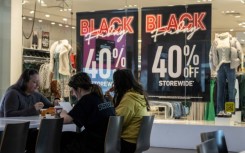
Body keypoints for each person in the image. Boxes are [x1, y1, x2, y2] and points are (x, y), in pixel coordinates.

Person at [60, 72, 115, 153]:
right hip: (107, 142)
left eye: (73, 91)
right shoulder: (102, 97)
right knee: (66, 136)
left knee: (61, 138)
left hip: (94, 144)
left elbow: (65, 119)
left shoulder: (86, 99)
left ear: (79, 89)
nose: (73, 94)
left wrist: (62, 112)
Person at [105, 69, 150, 153]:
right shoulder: (137, 95)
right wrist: (112, 101)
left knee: (95, 141)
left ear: (119, 83)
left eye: (115, 82)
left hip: (128, 142)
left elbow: (118, 121)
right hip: (135, 140)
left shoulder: (129, 98)